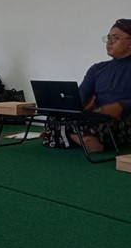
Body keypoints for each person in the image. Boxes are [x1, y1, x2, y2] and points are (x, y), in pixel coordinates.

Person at [42, 18, 131, 152]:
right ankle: (80, 139)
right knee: (54, 117)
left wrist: (121, 106)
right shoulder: (98, 69)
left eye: (116, 38)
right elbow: (80, 96)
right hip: (98, 116)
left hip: (123, 118)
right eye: (108, 38)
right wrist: (67, 106)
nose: (109, 42)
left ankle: (61, 135)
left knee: (103, 125)